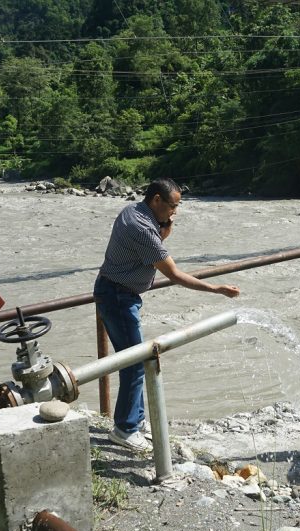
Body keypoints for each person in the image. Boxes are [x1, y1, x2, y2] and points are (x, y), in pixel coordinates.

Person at [94, 178, 240, 452]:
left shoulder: (132, 211)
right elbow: (174, 274)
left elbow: (153, 244)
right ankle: (125, 429)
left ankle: (133, 422)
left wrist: (164, 229)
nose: (175, 212)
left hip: (116, 292)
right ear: (157, 200)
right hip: (118, 297)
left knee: (135, 359)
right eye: (173, 206)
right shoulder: (142, 229)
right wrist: (216, 289)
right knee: (135, 363)